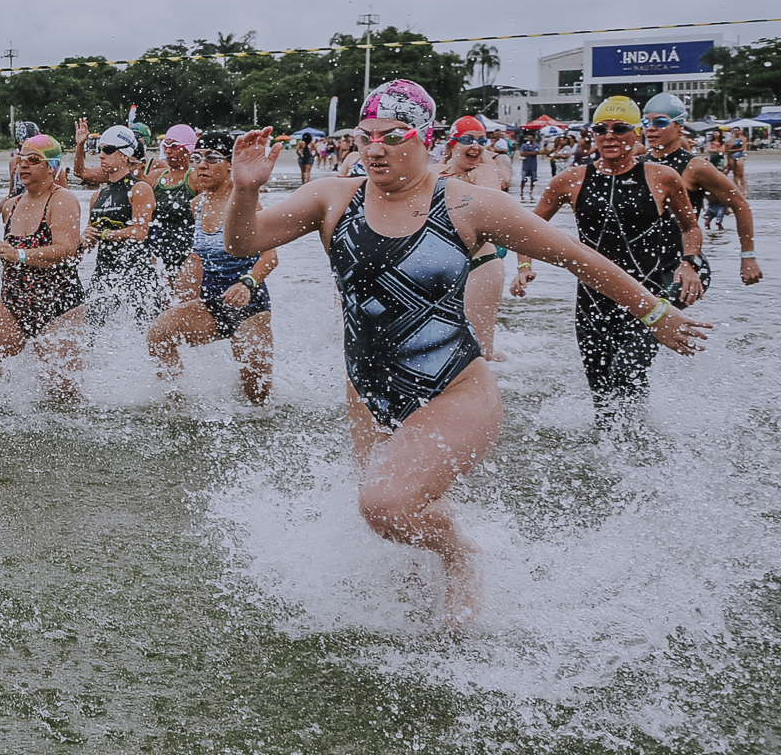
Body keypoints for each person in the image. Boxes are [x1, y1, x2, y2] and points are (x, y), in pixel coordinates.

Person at [227, 79, 708, 626]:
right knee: (390, 519)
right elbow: (243, 243)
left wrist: (655, 313)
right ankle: (426, 590)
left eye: (393, 135)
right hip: (367, 393)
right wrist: (246, 191)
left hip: (455, 389)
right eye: (366, 136)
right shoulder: (334, 198)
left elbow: (577, 257)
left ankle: (463, 557)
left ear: (426, 138)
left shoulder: (468, 204)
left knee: (384, 504)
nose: (375, 148)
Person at [516, 95, 706, 426]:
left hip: (647, 297)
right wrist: (524, 267)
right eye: (600, 129)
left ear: (636, 133)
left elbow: (690, 227)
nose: (609, 136)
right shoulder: (570, 180)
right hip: (591, 302)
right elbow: (528, 230)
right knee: (602, 394)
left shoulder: (662, 177)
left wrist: (689, 263)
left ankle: (641, 452)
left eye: (619, 128)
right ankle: (612, 462)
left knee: (628, 372)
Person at [147, 132, 276, 404]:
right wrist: (177, 292)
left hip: (249, 306)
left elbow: (270, 257)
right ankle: (177, 404)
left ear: (231, 164)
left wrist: (247, 283)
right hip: (212, 304)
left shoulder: (246, 204)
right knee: (159, 334)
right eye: (197, 158)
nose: (201, 165)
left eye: (212, 158)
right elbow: (198, 256)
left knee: (256, 396)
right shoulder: (198, 203)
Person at [0, 136, 87, 397]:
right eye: (21, 159)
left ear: (52, 167)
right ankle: (13, 404)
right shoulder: (11, 206)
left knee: (60, 389)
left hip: (59, 306)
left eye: (33, 160)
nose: (23, 165)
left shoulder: (62, 200)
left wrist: (19, 254)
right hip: (14, 304)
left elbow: (66, 251)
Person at [644, 93, 760, 290]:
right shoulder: (641, 163)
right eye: (646, 121)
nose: (651, 128)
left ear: (680, 127)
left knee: (658, 315)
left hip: (684, 263)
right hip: (647, 264)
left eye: (661, 121)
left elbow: (740, 205)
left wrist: (747, 256)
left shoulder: (695, 166)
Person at [438, 116, 514, 362]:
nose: (476, 146)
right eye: (468, 140)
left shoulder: (485, 172)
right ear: (452, 144)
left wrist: (524, 266)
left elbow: (498, 208)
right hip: (441, 266)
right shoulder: (431, 173)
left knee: (480, 353)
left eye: (482, 141)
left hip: (481, 265)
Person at [76, 124, 162, 327]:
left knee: (145, 334)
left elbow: (140, 233)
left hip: (136, 275)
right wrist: (85, 237)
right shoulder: (97, 195)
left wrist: (106, 234)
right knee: (91, 333)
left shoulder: (140, 189)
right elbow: (89, 242)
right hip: (104, 275)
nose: (101, 155)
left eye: (107, 150)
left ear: (124, 155)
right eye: (100, 149)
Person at [146, 124, 198, 297]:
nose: (168, 151)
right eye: (165, 146)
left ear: (189, 149)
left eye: (174, 146)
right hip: (159, 254)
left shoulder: (195, 178)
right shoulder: (155, 177)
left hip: (188, 255)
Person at [517, 130, 542, 202]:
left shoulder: (536, 145)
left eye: (531, 138)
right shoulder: (524, 145)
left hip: (533, 165)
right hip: (526, 165)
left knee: (533, 180)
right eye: (528, 138)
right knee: (523, 180)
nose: (529, 139)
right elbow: (522, 153)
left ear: (534, 138)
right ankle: (522, 192)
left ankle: (531, 192)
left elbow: (537, 153)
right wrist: (532, 153)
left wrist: (527, 153)